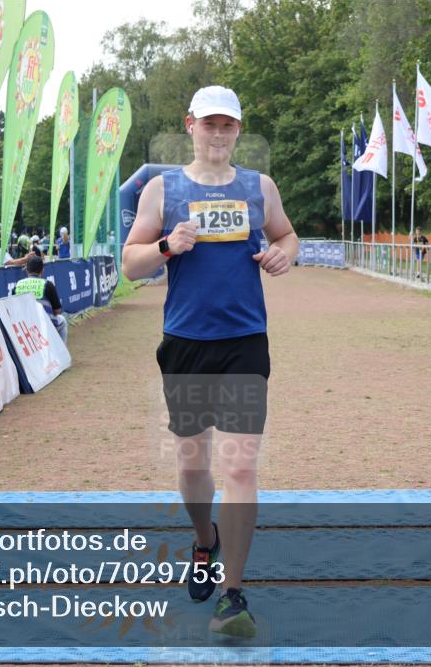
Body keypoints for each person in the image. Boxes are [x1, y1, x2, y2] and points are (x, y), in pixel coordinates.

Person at [121, 85, 298, 638]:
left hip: (244, 342)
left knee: (241, 468)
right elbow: (130, 264)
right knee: (194, 467)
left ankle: (233, 594)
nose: (219, 134)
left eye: (228, 125)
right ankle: (205, 541)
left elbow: (287, 235)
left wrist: (282, 254)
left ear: (237, 130)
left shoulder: (259, 187)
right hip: (186, 343)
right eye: (210, 124)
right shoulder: (162, 189)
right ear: (190, 125)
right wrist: (166, 246)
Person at [12, 254, 68, 343]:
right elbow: (57, 310)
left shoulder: (17, 285)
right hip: (45, 326)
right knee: (63, 321)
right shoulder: (48, 285)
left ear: (26, 270)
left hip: (24, 327)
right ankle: (61, 350)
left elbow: (13, 309)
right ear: (42, 271)